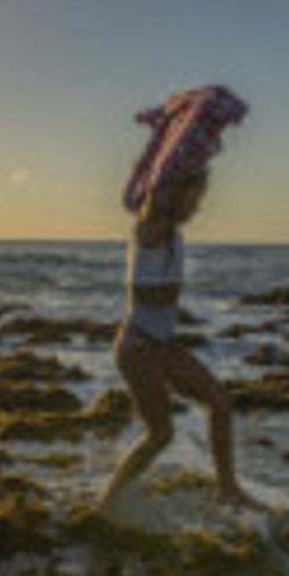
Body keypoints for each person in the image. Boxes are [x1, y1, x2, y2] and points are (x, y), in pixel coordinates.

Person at [96, 166, 263, 511]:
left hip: (160, 344)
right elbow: (142, 293)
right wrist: (173, 295)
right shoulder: (152, 228)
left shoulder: (172, 234)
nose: (198, 207)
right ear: (175, 193)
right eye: (196, 197)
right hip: (138, 347)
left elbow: (160, 297)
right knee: (161, 435)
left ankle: (228, 489)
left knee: (220, 403)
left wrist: (179, 312)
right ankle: (108, 501)